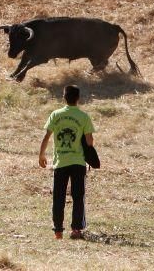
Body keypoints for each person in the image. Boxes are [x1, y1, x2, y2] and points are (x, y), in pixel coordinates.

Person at [38, 84, 94, 241]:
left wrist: (41, 155)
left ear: (64, 97)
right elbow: (89, 141)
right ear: (78, 98)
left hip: (60, 162)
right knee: (78, 196)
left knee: (58, 197)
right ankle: (76, 230)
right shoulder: (84, 117)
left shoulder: (56, 114)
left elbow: (46, 136)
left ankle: (58, 231)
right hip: (78, 162)